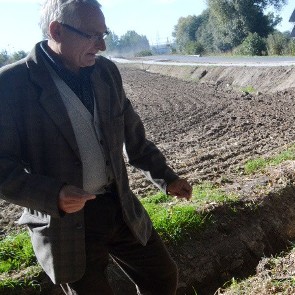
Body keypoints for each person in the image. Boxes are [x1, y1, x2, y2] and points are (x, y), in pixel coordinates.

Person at [0, 0, 193, 294]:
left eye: (104, 34)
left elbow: (133, 135)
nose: (101, 46)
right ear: (57, 31)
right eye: (92, 35)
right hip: (65, 223)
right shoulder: (11, 86)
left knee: (162, 277)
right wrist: (54, 195)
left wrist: (166, 178)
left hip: (119, 206)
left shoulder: (106, 73)